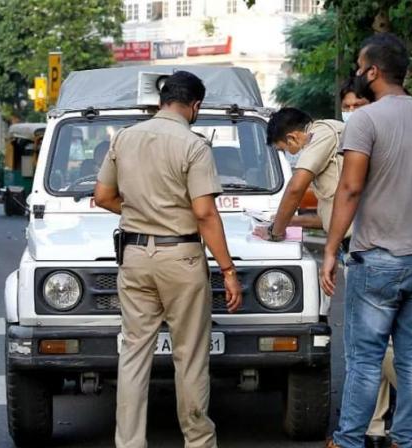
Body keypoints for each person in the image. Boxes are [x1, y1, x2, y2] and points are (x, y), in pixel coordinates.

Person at [94, 70, 243, 448]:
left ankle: (129, 443)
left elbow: (103, 196)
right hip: (181, 258)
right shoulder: (193, 145)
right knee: (189, 356)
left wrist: (142, 212)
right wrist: (227, 269)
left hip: (134, 256)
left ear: (162, 100)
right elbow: (206, 213)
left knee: (133, 353)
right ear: (195, 106)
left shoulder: (125, 138)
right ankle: (197, 440)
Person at [320, 33, 412, 448]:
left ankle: (350, 440)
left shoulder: (365, 120)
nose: (358, 74)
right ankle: (408, 439)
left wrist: (329, 248)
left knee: (364, 358)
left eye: (361, 67)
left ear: (373, 72)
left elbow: (350, 189)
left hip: (377, 257)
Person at [263, 107, 345, 239]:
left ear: (292, 138)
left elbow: (295, 188)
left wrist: (274, 233)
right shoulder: (326, 136)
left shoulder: (323, 134)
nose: (289, 155)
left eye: (285, 150)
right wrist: (293, 220)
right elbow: (331, 213)